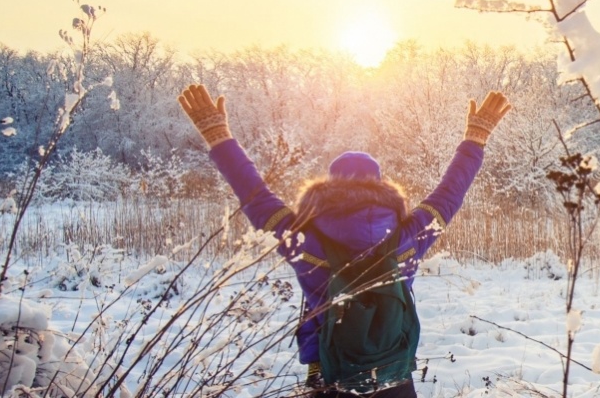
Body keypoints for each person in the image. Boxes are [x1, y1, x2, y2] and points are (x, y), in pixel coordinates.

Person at [178, 84, 511, 397]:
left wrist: (218, 136)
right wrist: (475, 137)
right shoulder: (408, 237)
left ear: (328, 186)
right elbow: (450, 193)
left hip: (329, 371)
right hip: (392, 370)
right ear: (380, 187)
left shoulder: (303, 240)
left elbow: (255, 196)